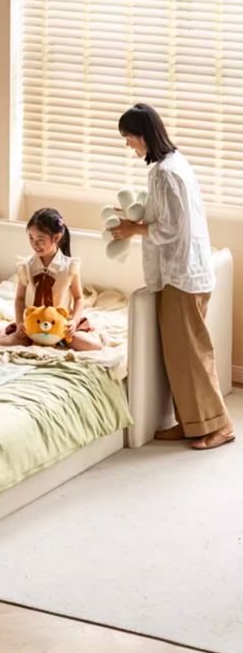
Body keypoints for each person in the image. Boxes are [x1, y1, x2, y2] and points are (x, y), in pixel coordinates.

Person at [113, 103, 235, 450]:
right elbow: (169, 214)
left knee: (192, 354)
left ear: (142, 135)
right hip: (184, 272)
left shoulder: (165, 172)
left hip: (181, 275)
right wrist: (137, 217)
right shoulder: (174, 164)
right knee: (180, 355)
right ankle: (192, 423)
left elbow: (170, 226)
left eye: (128, 138)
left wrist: (132, 229)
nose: (128, 146)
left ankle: (220, 426)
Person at [0, 208, 102, 351]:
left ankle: (66, 338)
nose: (35, 244)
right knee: (0, 343)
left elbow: (79, 298)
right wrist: (20, 322)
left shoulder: (70, 267)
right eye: (31, 239)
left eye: (40, 240)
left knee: (94, 346)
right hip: (33, 324)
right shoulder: (26, 266)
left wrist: (74, 321)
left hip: (60, 325)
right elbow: (20, 298)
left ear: (56, 238)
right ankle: (3, 331)